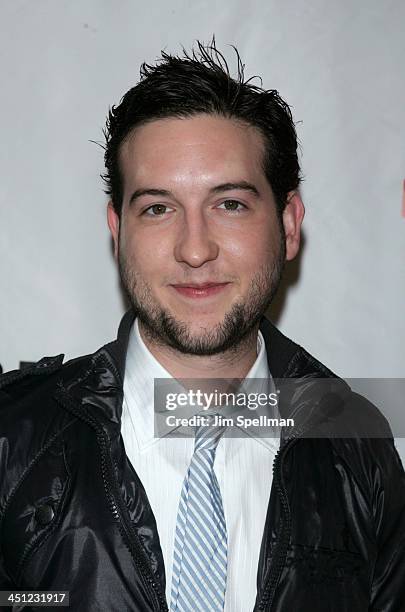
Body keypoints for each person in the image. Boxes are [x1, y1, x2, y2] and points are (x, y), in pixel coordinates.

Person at [0, 41, 404, 612]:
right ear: (117, 229)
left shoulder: (357, 449)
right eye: (158, 208)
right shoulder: (13, 442)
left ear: (289, 225)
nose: (194, 249)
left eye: (230, 204)